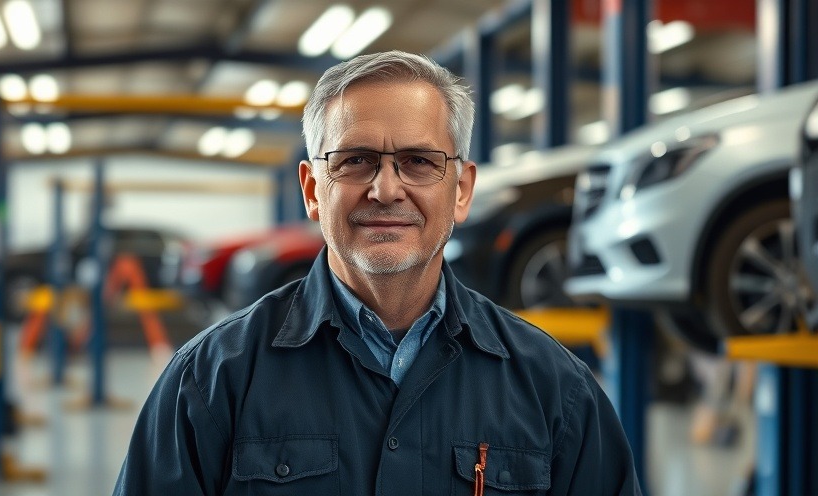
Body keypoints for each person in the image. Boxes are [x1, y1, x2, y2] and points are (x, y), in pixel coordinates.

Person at [113, 50, 641, 495]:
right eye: (356, 160)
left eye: (419, 162)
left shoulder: (556, 390)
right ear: (313, 190)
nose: (386, 190)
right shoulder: (210, 382)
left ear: (461, 190)